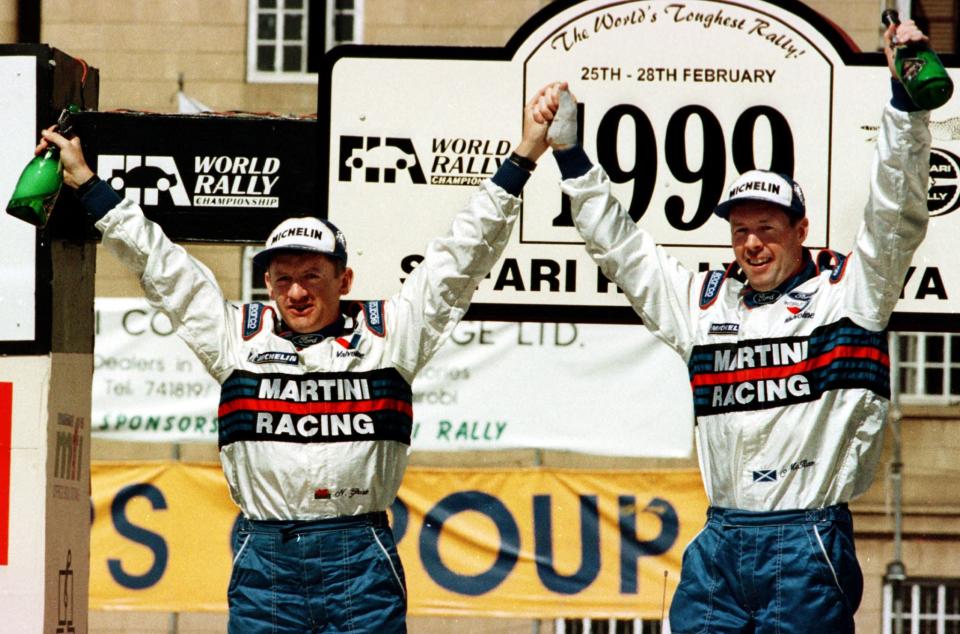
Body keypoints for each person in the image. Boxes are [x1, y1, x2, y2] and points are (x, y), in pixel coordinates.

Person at [41, 85, 557, 633]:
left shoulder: (391, 335)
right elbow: (165, 269)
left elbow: (461, 258)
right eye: (283, 278)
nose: (296, 292)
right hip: (267, 557)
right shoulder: (235, 337)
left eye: (313, 275)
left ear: (344, 279)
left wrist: (523, 157)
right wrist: (90, 188)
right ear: (266, 282)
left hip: (359, 554)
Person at [533, 19, 933, 634]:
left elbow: (896, 213)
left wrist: (905, 108)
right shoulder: (707, 304)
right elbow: (626, 255)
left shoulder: (850, 293)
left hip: (807, 537)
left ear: (801, 230)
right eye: (740, 230)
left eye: (768, 230)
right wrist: (571, 156)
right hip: (720, 537)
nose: (752, 244)